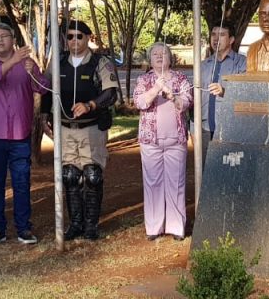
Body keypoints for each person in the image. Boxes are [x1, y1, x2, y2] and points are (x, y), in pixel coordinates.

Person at [0, 23, 49, 245]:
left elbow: (43, 88)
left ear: (12, 39)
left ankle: (24, 228)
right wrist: (12, 62)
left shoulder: (26, 63)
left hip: (20, 134)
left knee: (21, 181)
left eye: (4, 36)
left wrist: (33, 72)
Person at [51, 20, 119, 241]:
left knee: (92, 176)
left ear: (88, 38)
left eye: (78, 36)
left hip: (91, 128)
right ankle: (75, 224)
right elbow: (47, 90)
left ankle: (91, 225)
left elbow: (110, 94)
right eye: (69, 36)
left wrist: (90, 105)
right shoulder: (58, 61)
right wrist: (44, 116)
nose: (73, 41)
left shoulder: (101, 62)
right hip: (65, 128)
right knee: (69, 176)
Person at [132, 42, 194, 241]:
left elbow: (187, 102)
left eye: (163, 53)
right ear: (150, 59)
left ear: (170, 58)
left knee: (176, 182)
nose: (159, 56)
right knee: (152, 183)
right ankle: (154, 227)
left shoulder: (181, 79)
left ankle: (176, 227)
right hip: (151, 140)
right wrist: (155, 88)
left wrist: (171, 94)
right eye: (155, 54)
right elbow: (140, 102)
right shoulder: (144, 79)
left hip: (175, 140)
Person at [198, 25, 247, 160]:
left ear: (231, 39)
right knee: (206, 172)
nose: (216, 39)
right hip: (205, 128)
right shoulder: (202, 65)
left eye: (221, 35)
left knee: (229, 170)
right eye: (213, 34)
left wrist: (225, 91)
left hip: (231, 129)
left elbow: (247, 94)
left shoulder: (242, 63)